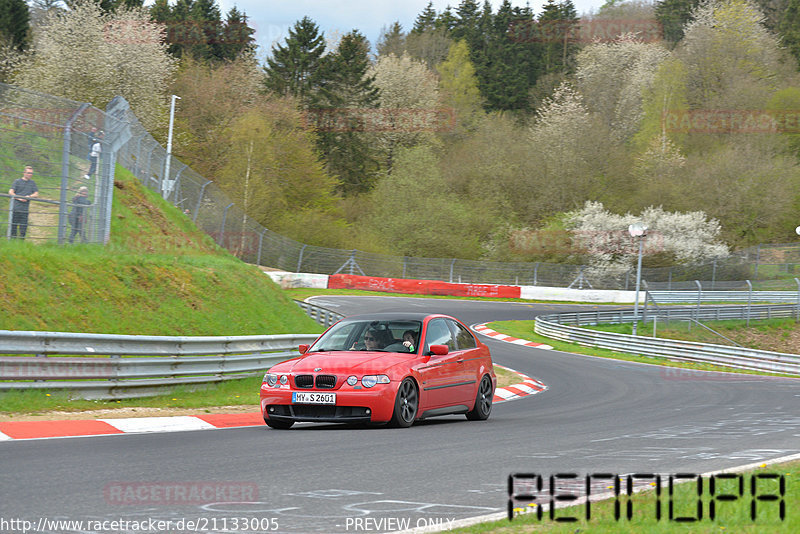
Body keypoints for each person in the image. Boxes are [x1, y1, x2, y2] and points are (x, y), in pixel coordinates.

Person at [8, 166, 39, 240]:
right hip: (15, 208)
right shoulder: (17, 181)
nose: (30, 175)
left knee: (23, 228)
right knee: (13, 227)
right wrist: (19, 198)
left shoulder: (32, 183)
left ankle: (21, 243)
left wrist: (29, 196)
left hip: (25, 209)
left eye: (31, 173)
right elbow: (10, 192)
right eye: (28, 173)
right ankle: (12, 242)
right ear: (24, 173)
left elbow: (36, 194)